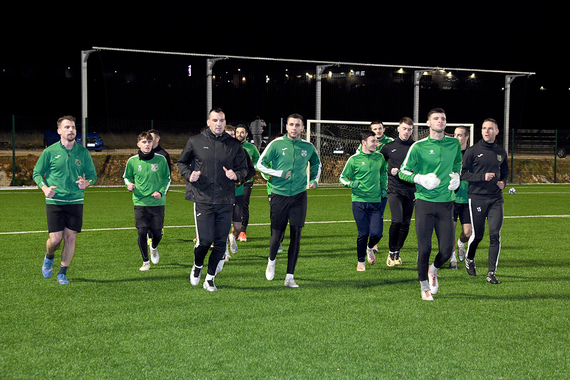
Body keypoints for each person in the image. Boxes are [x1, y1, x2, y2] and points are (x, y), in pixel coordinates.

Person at [177, 108, 250, 292]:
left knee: (220, 243)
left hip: (226, 200)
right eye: (215, 120)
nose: (219, 123)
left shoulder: (234, 145)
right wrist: (189, 175)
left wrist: (237, 175)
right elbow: (182, 162)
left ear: (225, 122)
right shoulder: (195, 141)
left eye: (222, 120)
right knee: (205, 240)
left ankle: (210, 278)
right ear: (209, 122)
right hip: (203, 197)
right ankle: (198, 265)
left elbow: (246, 169)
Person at [399, 108, 462, 301]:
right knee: (424, 248)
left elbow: (458, 164)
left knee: (445, 251)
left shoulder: (454, 144)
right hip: (425, 203)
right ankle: (424, 285)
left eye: (443, 118)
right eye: (436, 118)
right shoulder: (418, 147)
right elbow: (403, 171)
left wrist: (457, 177)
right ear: (428, 123)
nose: (440, 121)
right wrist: (419, 178)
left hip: (445, 204)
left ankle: (432, 270)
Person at [256, 113, 321, 288]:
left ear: (302, 128)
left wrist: (314, 179)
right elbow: (260, 165)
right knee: (276, 235)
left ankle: (290, 276)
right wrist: (277, 174)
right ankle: (271, 260)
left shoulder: (308, 147)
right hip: (279, 195)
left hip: (299, 196)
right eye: (291, 124)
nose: (294, 128)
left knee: (296, 236)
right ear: (286, 127)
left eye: (297, 125)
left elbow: (316, 164)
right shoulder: (276, 144)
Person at [33, 115, 97, 285]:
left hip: (76, 201)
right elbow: (37, 173)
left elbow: (92, 175)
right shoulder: (50, 152)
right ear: (59, 131)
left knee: (70, 238)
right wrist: (45, 188)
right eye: (67, 127)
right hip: (55, 202)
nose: (71, 130)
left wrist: (87, 183)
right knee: (55, 240)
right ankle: (49, 256)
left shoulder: (82, 152)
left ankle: (62, 273)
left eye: (73, 127)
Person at [460, 118, 509, 284]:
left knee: (495, 235)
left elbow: (505, 171)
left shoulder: (501, 152)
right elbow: (463, 174)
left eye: (490, 128)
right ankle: (470, 257)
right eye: (483, 128)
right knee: (478, 235)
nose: (486, 131)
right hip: (477, 198)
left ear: (496, 132)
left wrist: (504, 182)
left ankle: (491, 273)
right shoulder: (473, 151)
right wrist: (482, 177)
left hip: (496, 199)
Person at [340, 130, 387, 271]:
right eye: (373, 141)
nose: (376, 144)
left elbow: (383, 174)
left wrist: (384, 188)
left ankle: (369, 247)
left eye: (377, 141)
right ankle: (361, 261)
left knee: (377, 234)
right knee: (363, 233)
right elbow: (342, 177)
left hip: (376, 201)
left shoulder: (380, 158)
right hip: (359, 201)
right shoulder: (354, 159)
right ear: (363, 143)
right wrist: (350, 184)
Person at [123, 131, 171, 271]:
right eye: (144, 142)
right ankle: (145, 261)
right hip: (140, 202)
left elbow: (167, 178)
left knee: (157, 234)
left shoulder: (161, 159)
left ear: (153, 143)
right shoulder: (132, 161)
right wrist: (129, 185)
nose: (147, 144)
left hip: (157, 203)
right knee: (142, 231)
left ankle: (154, 247)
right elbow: (126, 177)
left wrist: (161, 192)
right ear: (138, 144)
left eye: (149, 142)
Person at [379, 117, 415, 267]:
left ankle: (397, 251)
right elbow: (379, 165)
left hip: (411, 190)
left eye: (409, 129)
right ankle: (391, 250)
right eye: (404, 129)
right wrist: (389, 170)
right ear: (399, 129)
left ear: (412, 131)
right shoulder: (388, 147)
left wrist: (415, 171)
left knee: (406, 224)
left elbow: (423, 165)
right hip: (394, 189)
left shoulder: (416, 147)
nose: (406, 132)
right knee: (397, 220)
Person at [224, 125, 256, 260]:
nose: (232, 137)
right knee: (223, 223)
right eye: (229, 135)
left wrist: (241, 180)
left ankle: (232, 236)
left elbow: (251, 171)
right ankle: (224, 251)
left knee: (237, 227)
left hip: (237, 193)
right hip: (222, 194)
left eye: (233, 135)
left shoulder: (242, 152)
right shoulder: (217, 152)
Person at [449, 125, 472, 269]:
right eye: (455, 135)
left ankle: (461, 243)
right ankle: (452, 259)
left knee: (467, 233)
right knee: (450, 230)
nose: (457, 138)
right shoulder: (450, 153)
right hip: (451, 198)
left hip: (467, 198)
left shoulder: (472, 154)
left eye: (460, 135)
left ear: (466, 137)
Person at [235, 124, 260, 242]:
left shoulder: (251, 148)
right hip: (233, 182)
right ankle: (234, 231)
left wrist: (250, 170)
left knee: (244, 205)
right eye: (237, 132)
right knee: (230, 206)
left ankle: (243, 232)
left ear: (246, 134)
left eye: (242, 132)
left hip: (246, 182)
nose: (240, 134)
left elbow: (259, 161)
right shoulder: (231, 146)